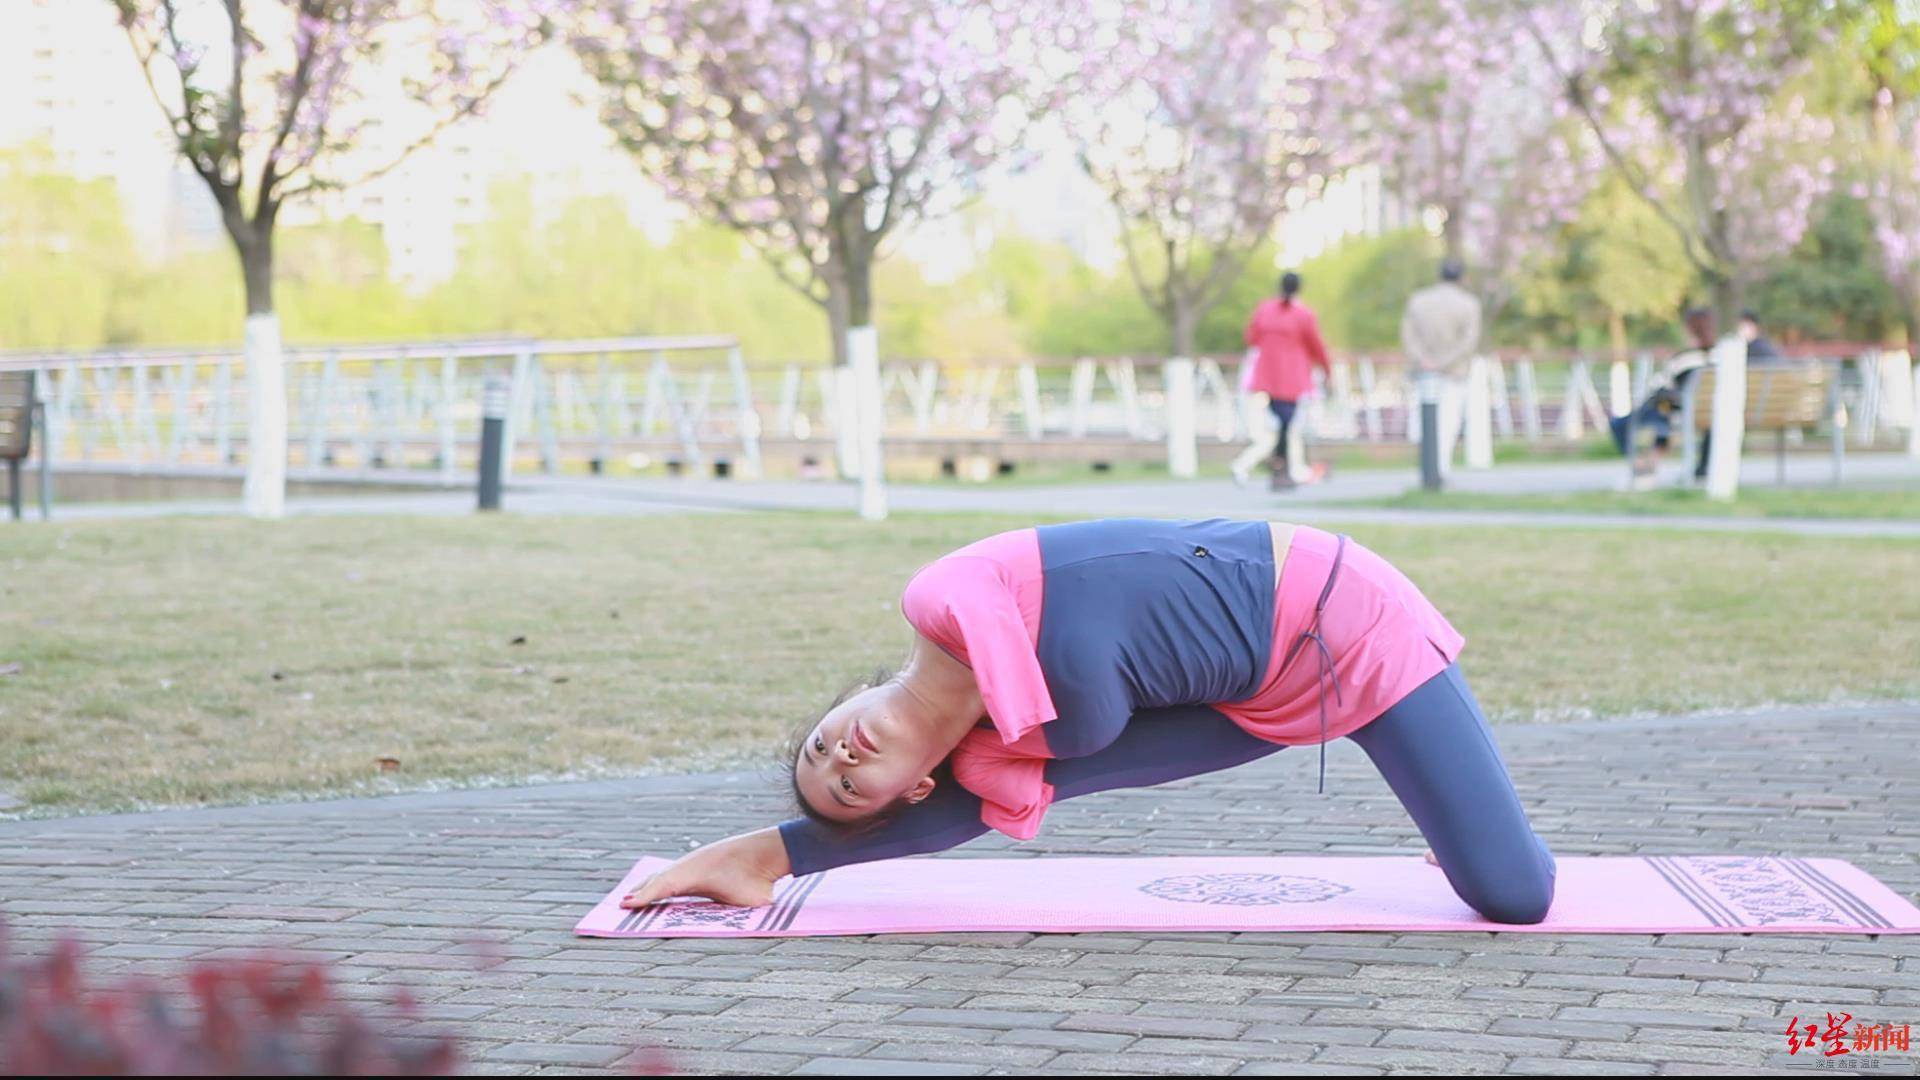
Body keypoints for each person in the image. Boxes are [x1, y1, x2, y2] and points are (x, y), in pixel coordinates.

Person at [620, 518, 1559, 926]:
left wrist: (1024, 750)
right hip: (1254, 686)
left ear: (843, 703)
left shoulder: (938, 603)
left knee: (1515, 896)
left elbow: (1089, 696)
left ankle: (1470, 825)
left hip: (1338, 614)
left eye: (822, 743)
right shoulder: (987, 740)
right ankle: (758, 856)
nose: (841, 753)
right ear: (903, 789)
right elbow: (1062, 733)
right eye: (847, 785)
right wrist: (1003, 760)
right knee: (993, 787)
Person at [1233, 272, 1332, 491]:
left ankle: (1281, 468)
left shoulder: (1264, 310)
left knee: (1282, 427)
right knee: (1287, 426)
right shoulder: (1303, 315)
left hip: (1266, 377)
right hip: (1291, 379)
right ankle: (1283, 468)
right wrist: (1327, 370)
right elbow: (1316, 346)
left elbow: (1251, 337)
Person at [1608, 307, 1718, 485]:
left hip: (1679, 412)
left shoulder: (1684, 359)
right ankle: (1651, 461)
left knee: (1652, 412)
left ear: (1690, 329)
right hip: (1710, 413)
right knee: (1665, 409)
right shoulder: (1720, 357)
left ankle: (1641, 464)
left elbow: (1664, 385)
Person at [1400, 259, 1483, 479]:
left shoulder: (1418, 301)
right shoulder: (1469, 304)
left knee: (1422, 421)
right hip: (1453, 372)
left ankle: (1428, 468)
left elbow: (1408, 335)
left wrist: (1423, 360)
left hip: (1422, 371)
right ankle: (1439, 470)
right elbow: (1469, 342)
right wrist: (1444, 362)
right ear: (1462, 278)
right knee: (1448, 422)